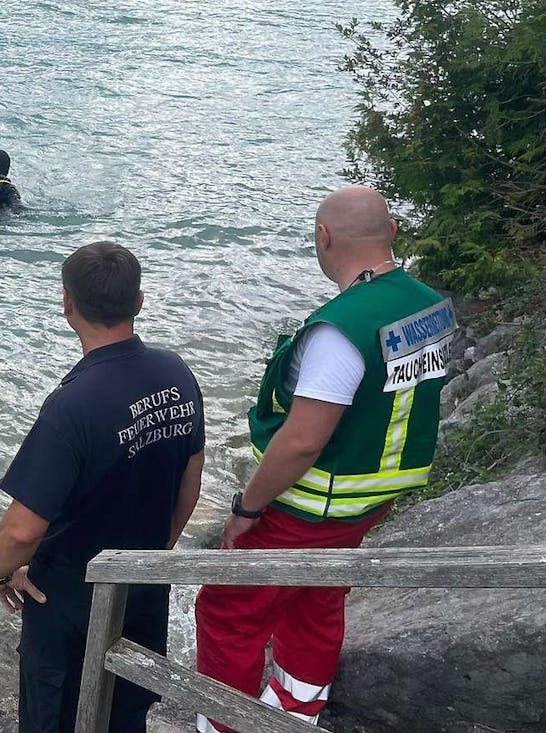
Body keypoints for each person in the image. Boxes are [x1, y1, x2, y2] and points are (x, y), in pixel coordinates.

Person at [193, 187, 454, 733]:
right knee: (316, 598)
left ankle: (224, 725)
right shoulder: (428, 304)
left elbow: (302, 442)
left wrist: (247, 506)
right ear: (394, 233)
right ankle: (297, 710)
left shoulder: (340, 329)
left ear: (323, 238)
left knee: (227, 610)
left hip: (313, 503)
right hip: (374, 496)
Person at [0, 241, 206, 733]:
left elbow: (21, 531)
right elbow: (193, 471)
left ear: (67, 304)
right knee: (127, 712)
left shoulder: (73, 406)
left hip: (70, 605)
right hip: (142, 585)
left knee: (56, 717)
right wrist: (158, 546)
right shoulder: (175, 372)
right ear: (139, 301)